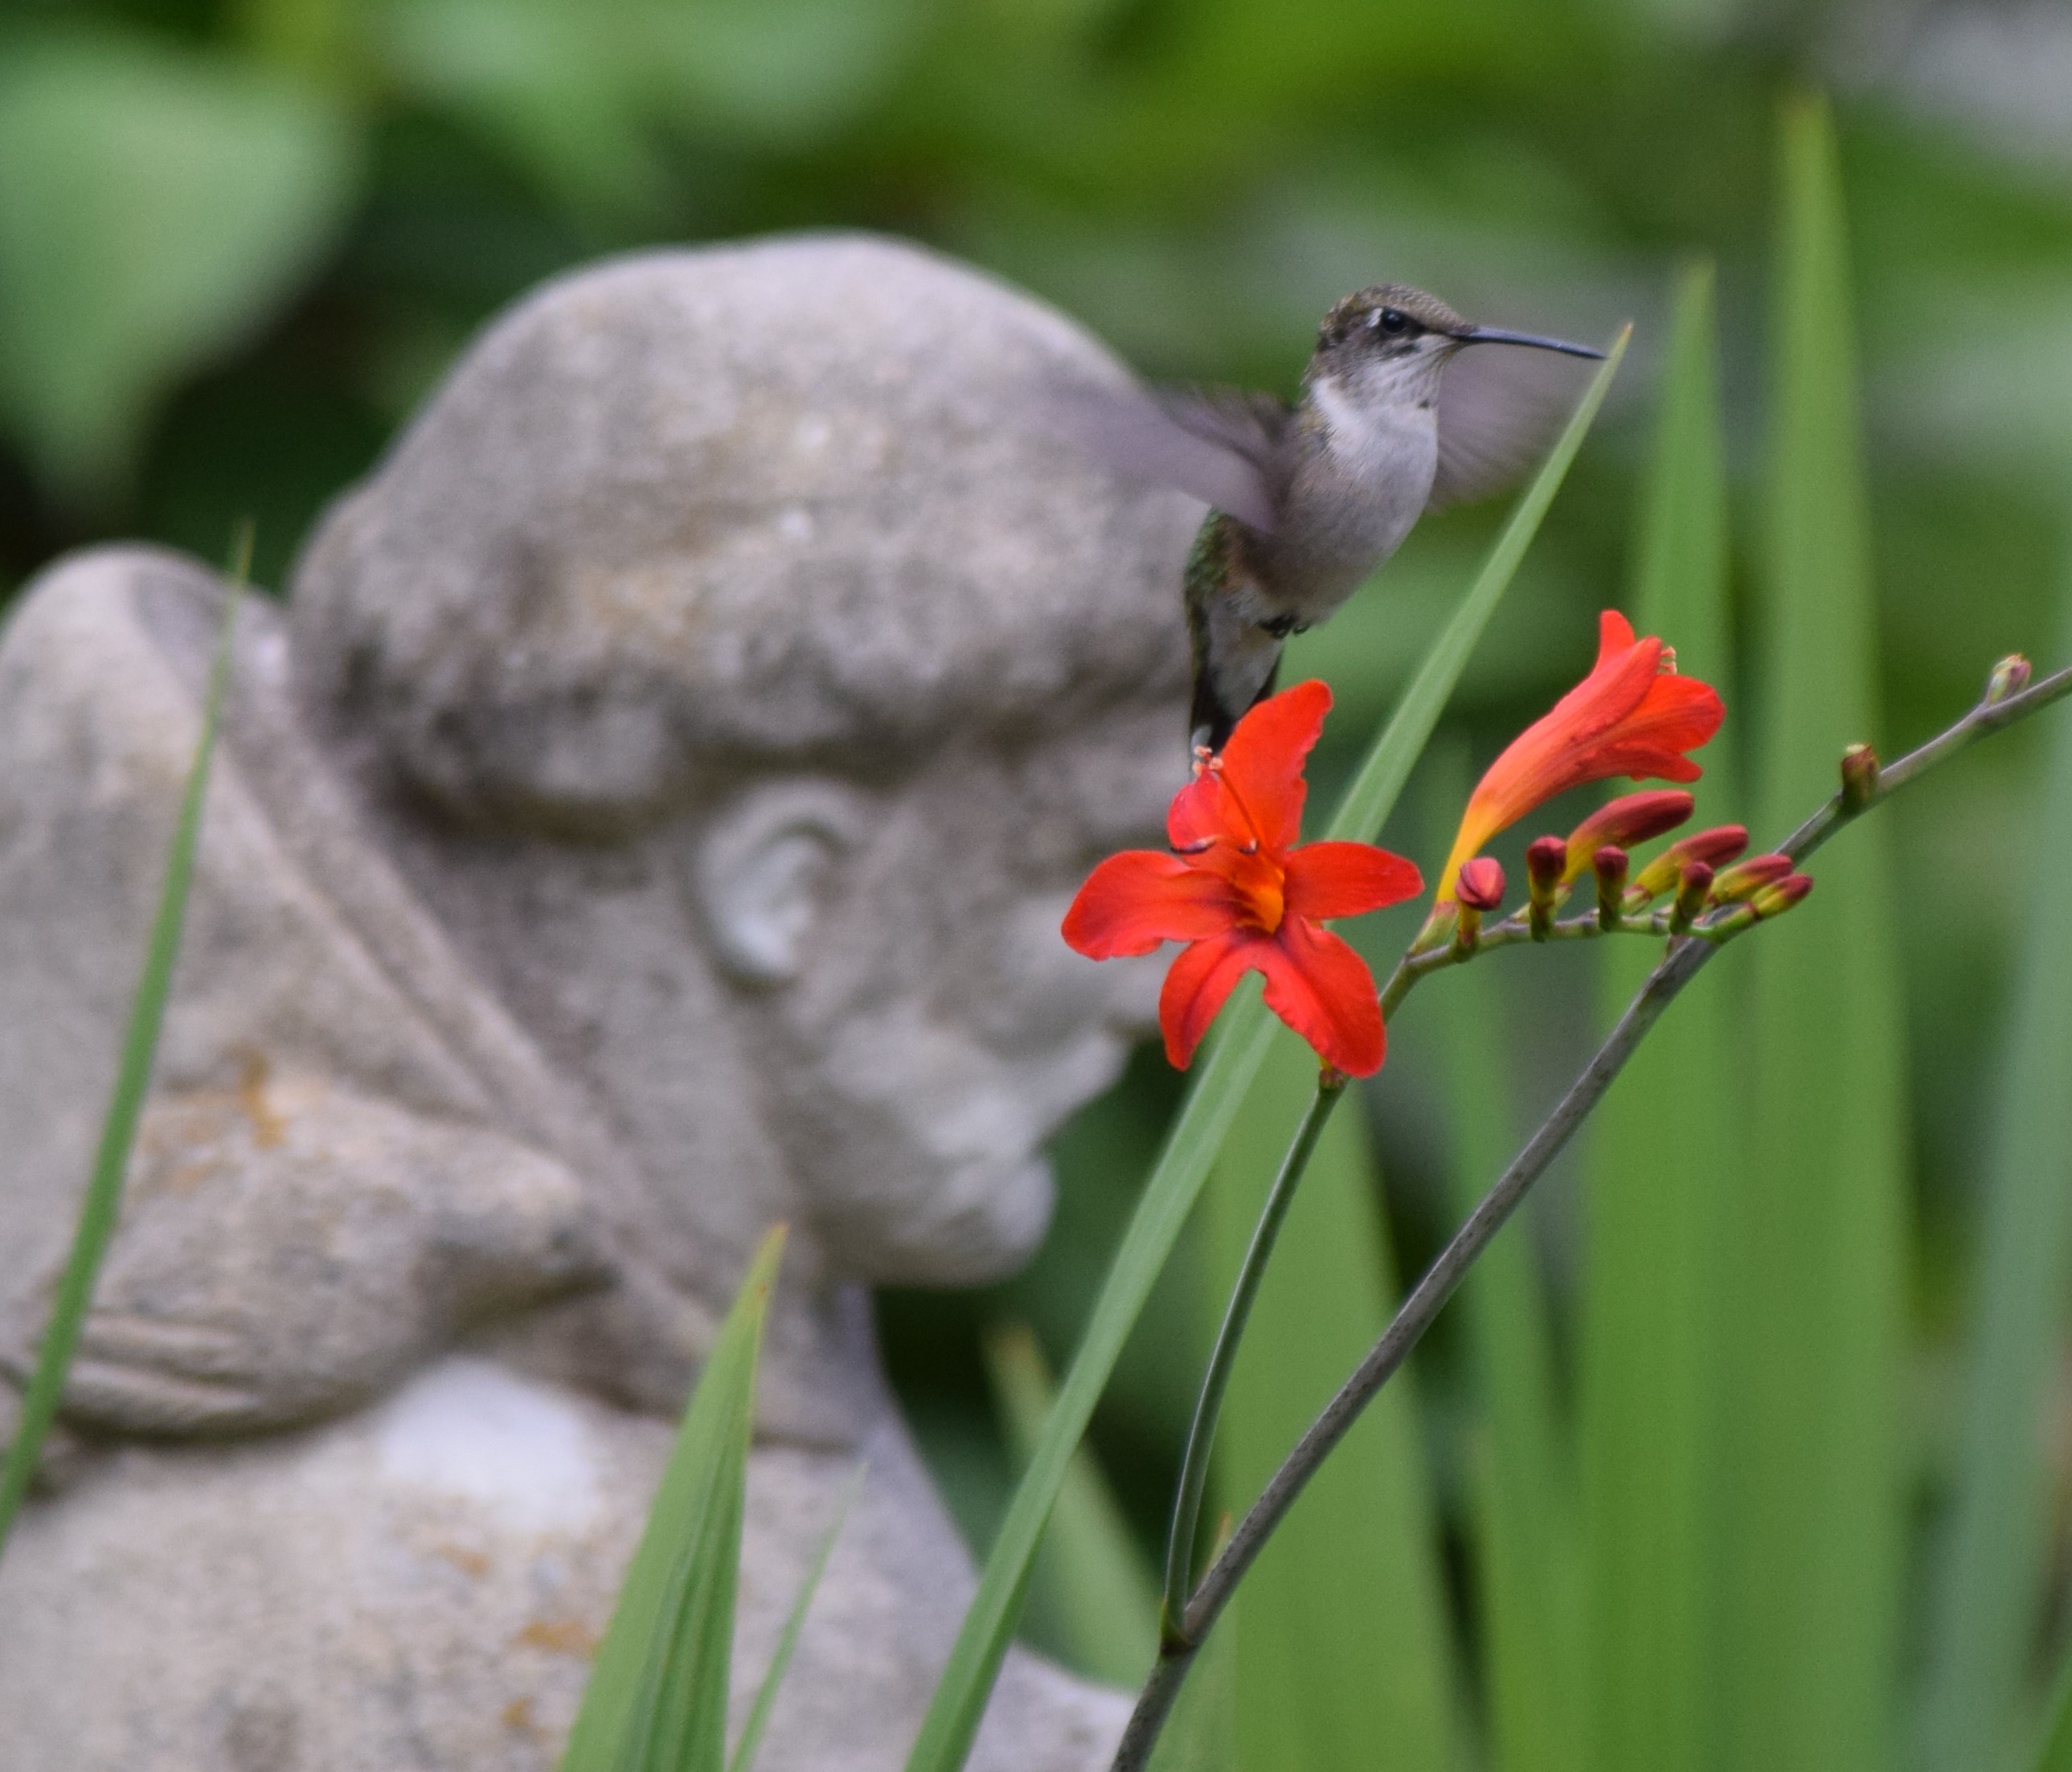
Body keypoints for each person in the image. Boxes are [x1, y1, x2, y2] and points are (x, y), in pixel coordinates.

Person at [0, 234, 1199, 1770]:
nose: (1157, 989)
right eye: (1090, 875)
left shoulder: (702, 1315)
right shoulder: (427, 1567)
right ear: (790, 887)